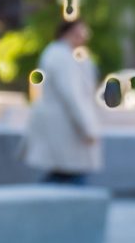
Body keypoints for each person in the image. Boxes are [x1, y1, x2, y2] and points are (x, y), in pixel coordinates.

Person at [20, 18, 104, 186]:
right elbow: (72, 95)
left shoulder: (59, 54)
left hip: (62, 128)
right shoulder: (61, 57)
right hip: (66, 128)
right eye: (83, 31)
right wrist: (87, 127)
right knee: (70, 177)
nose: (85, 36)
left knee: (62, 176)